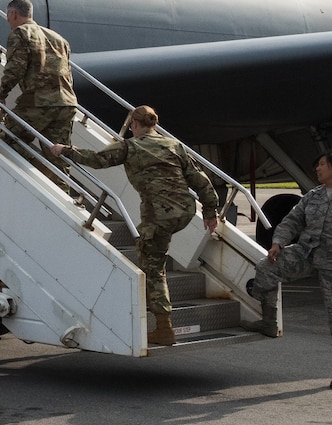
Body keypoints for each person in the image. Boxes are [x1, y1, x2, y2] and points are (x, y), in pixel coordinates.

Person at [53, 105, 219, 346]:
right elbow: (200, 179)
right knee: (150, 252)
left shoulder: (131, 146)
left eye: (132, 126)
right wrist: (211, 211)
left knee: (154, 270)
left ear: (135, 125)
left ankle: (164, 327)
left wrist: (65, 150)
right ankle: (145, 311)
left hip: (159, 215)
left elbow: (98, 159)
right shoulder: (173, 145)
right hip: (185, 210)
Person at [246, 149, 332, 388]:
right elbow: (292, 220)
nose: (317, 169)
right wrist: (278, 242)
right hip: (306, 253)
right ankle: (269, 321)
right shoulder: (313, 196)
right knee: (265, 268)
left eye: (322, 164)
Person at [0, 0, 79, 146]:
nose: (8, 19)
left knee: (9, 137)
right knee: (57, 154)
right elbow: (67, 73)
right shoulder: (59, 39)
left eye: (8, 15)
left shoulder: (20, 34)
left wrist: (1, 94)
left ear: (14, 14)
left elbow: (15, 69)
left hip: (39, 102)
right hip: (67, 103)